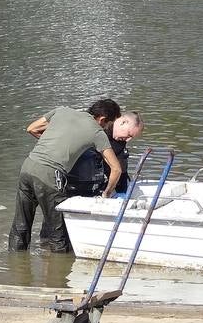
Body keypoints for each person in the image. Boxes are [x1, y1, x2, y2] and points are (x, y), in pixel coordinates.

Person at [8, 99, 125, 252]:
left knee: (21, 223)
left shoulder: (62, 111)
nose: (109, 128)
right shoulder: (97, 131)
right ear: (103, 119)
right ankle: (59, 272)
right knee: (58, 233)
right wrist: (107, 193)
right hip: (50, 174)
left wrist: (57, 144)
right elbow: (116, 169)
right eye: (110, 124)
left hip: (28, 166)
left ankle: (16, 263)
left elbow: (32, 128)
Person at [64, 111, 144, 197]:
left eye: (131, 137)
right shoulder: (99, 128)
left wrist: (120, 191)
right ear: (122, 122)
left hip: (100, 183)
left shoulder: (120, 142)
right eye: (128, 135)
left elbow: (121, 171)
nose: (128, 140)